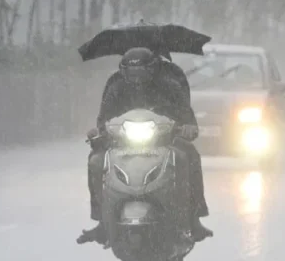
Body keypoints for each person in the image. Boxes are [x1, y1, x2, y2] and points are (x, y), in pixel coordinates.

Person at [77, 46, 213, 245]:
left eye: (141, 72)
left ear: (153, 69)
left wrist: (187, 128)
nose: (136, 78)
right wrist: (98, 133)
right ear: (123, 71)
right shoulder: (115, 86)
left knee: (188, 156)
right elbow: (103, 119)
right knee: (96, 161)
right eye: (131, 73)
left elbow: (187, 117)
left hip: (165, 141)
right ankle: (102, 220)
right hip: (122, 143)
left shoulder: (170, 84)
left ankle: (193, 217)